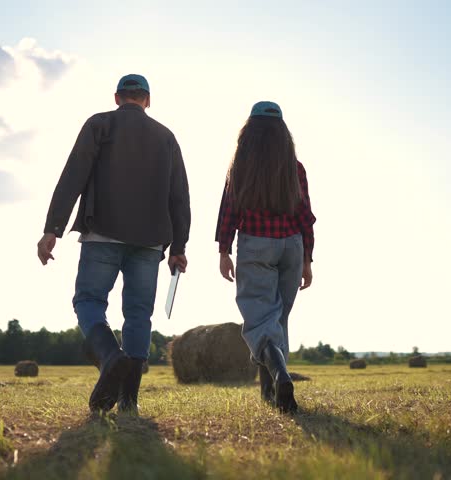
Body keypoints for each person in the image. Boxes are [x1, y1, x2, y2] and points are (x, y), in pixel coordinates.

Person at [37, 74, 191, 414]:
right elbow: (180, 197)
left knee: (89, 300)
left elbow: (73, 175)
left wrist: (53, 228)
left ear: (118, 97)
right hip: (151, 241)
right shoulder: (166, 136)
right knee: (139, 315)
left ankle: (110, 357)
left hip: (102, 231)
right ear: (147, 100)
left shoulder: (99, 124)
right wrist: (179, 246)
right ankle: (129, 400)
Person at [215, 101, 315, 413]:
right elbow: (305, 216)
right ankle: (271, 394)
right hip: (291, 245)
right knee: (276, 319)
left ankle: (280, 375)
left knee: (260, 319)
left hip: (256, 243)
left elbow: (228, 209)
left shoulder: (240, 165)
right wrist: (307, 259)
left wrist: (224, 249)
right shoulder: (295, 167)